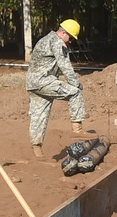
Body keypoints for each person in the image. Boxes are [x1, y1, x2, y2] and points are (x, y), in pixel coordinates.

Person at [26, 19, 85, 158]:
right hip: (44, 81)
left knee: (38, 117)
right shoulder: (58, 42)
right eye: (70, 38)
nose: (70, 41)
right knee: (75, 93)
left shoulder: (44, 39)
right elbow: (65, 66)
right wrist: (75, 83)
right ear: (63, 33)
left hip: (32, 83)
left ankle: (37, 151)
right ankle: (77, 129)